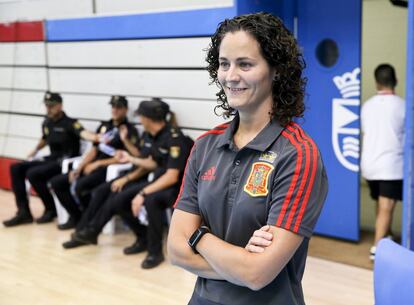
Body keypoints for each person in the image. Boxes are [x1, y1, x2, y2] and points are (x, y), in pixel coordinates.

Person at [167, 13, 328, 305]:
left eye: (245, 64)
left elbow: (257, 273)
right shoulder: (204, 146)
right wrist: (240, 262)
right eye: (225, 64)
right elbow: (176, 250)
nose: (231, 76)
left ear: (276, 70)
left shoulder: (298, 154)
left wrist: (199, 236)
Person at [63, 98, 193, 269]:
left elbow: (172, 177)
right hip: (157, 181)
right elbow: (153, 164)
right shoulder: (154, 136)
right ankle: (142, 237)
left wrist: (142, 193)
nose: (139, 120)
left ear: (147, 118)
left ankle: (155, 252)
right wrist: (130, 161)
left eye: (141, 117)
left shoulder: (175, 138)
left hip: (177, 188)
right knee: (118, 199)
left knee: (151, 201)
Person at [3, 92, 99, 227]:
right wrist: (35, 150)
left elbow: (83, 133)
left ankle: (50, 209)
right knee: (16, 168)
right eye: (46, 106)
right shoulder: (47, 122)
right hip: (51, 158)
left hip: (66, 160)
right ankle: (23, 212)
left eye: (51, 106)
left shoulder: (71, 123)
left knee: (33, 173)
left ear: (59, 106)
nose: (48, 108)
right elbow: (45, 138)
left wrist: (95, 137)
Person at [49, 95, 140, 230]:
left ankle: (87, 220)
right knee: (57, 182)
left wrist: (98, 164)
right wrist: (80, 167)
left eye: (118, 107)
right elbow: (94, 150)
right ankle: (77, 216)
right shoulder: (104, 126)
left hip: (109, 168)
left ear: (125, 110)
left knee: (81, 186)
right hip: (93, 166)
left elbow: (128, 157)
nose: (114, 110)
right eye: (113, 107)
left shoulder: (129, 130)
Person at [360, 64, 405, 261]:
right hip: (390, 166)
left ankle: (385, 236)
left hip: (370, 165)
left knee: (381, 203)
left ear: (377, 82)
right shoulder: (403, 105)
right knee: (387, 206)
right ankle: (377, 248)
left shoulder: (367, 106)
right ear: (395, 81)